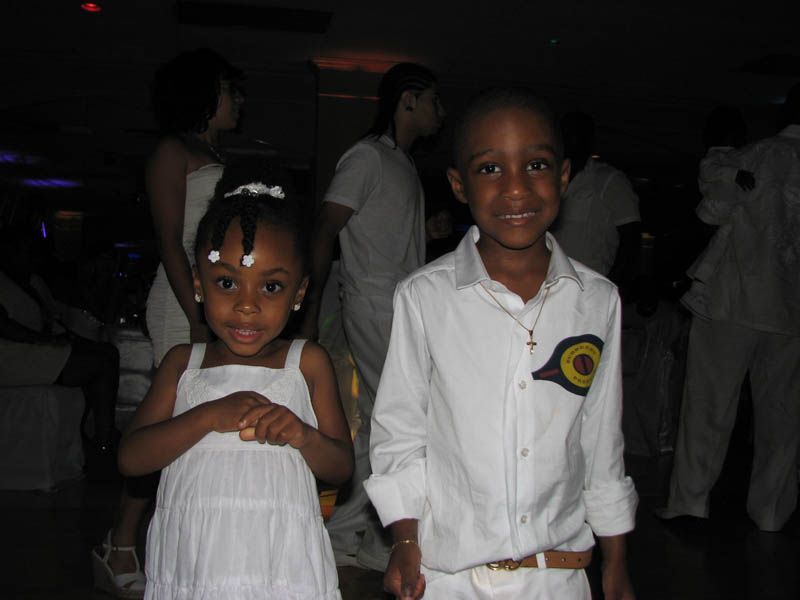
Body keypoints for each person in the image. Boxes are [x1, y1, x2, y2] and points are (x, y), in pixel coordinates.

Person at [364, 87, 638, 599]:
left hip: (560, 576)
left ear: (563, 176)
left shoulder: (598, 301)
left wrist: (616, 562)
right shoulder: (424, 297)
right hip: (451, 578)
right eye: (490, 169)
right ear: (458, 184)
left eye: (536, 165)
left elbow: (602, 442)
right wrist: (404, 537)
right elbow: (401, 433)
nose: (516, 190)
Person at [118, 161, 354, 599]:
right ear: (197, 284)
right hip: (197, 559)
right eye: (227, 282)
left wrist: (302, 435)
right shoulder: (183, 364)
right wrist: (207, 416)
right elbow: (131, 458)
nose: (246, 306)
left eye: (270, 288)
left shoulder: (307, 363)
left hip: (278, 561)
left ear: (299, 294)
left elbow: (342, 466)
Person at [300, 62, 445, 570]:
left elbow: (380, 235)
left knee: (384, 423)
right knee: (406, 422)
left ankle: (346, 536)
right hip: (375, 302)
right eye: (433, 100)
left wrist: (427, 227)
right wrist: (311, 309)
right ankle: (379, 541)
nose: (439, 112)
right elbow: (324, 228)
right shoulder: (366, 157)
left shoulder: (399, 162)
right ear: (407, 99)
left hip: (398, 304)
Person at [657, 86, 800, 532]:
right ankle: (772, 511)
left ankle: (691, 503)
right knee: (783, 414)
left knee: (709, 406)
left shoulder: (752, 155)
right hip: (791, 307)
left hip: (733, 298)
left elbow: (710, 210)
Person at [145, 47, 244, 367]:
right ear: (204, 92)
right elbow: (170, 242)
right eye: (231, 90)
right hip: (182, 296)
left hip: (213, 288)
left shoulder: (217, 155)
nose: (240, 99)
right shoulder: (172, 149)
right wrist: (197, 318)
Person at [550, 112, 640, 297]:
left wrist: (613, 287)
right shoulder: (548, 180)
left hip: (590, 290)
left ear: (590, 139)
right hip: (549, 286)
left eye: (577, 133)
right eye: (565, 133)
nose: (571, 138)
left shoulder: (609, 180)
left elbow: (630, 236)